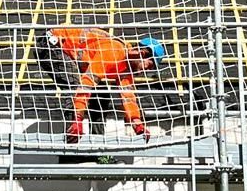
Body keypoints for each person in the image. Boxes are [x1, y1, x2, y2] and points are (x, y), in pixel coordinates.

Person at [36, 26, 167, 142]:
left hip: (66, 52)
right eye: (148, 66)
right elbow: (86, 83)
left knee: (102, 95)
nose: (145, 70)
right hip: (51, 44)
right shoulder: (114, 52)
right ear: (141, 53)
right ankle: (72, 145)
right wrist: (78, 118)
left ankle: (97, 146)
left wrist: (137, 123)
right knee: (74, 86)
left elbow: (128, 97)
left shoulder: (127, 68)